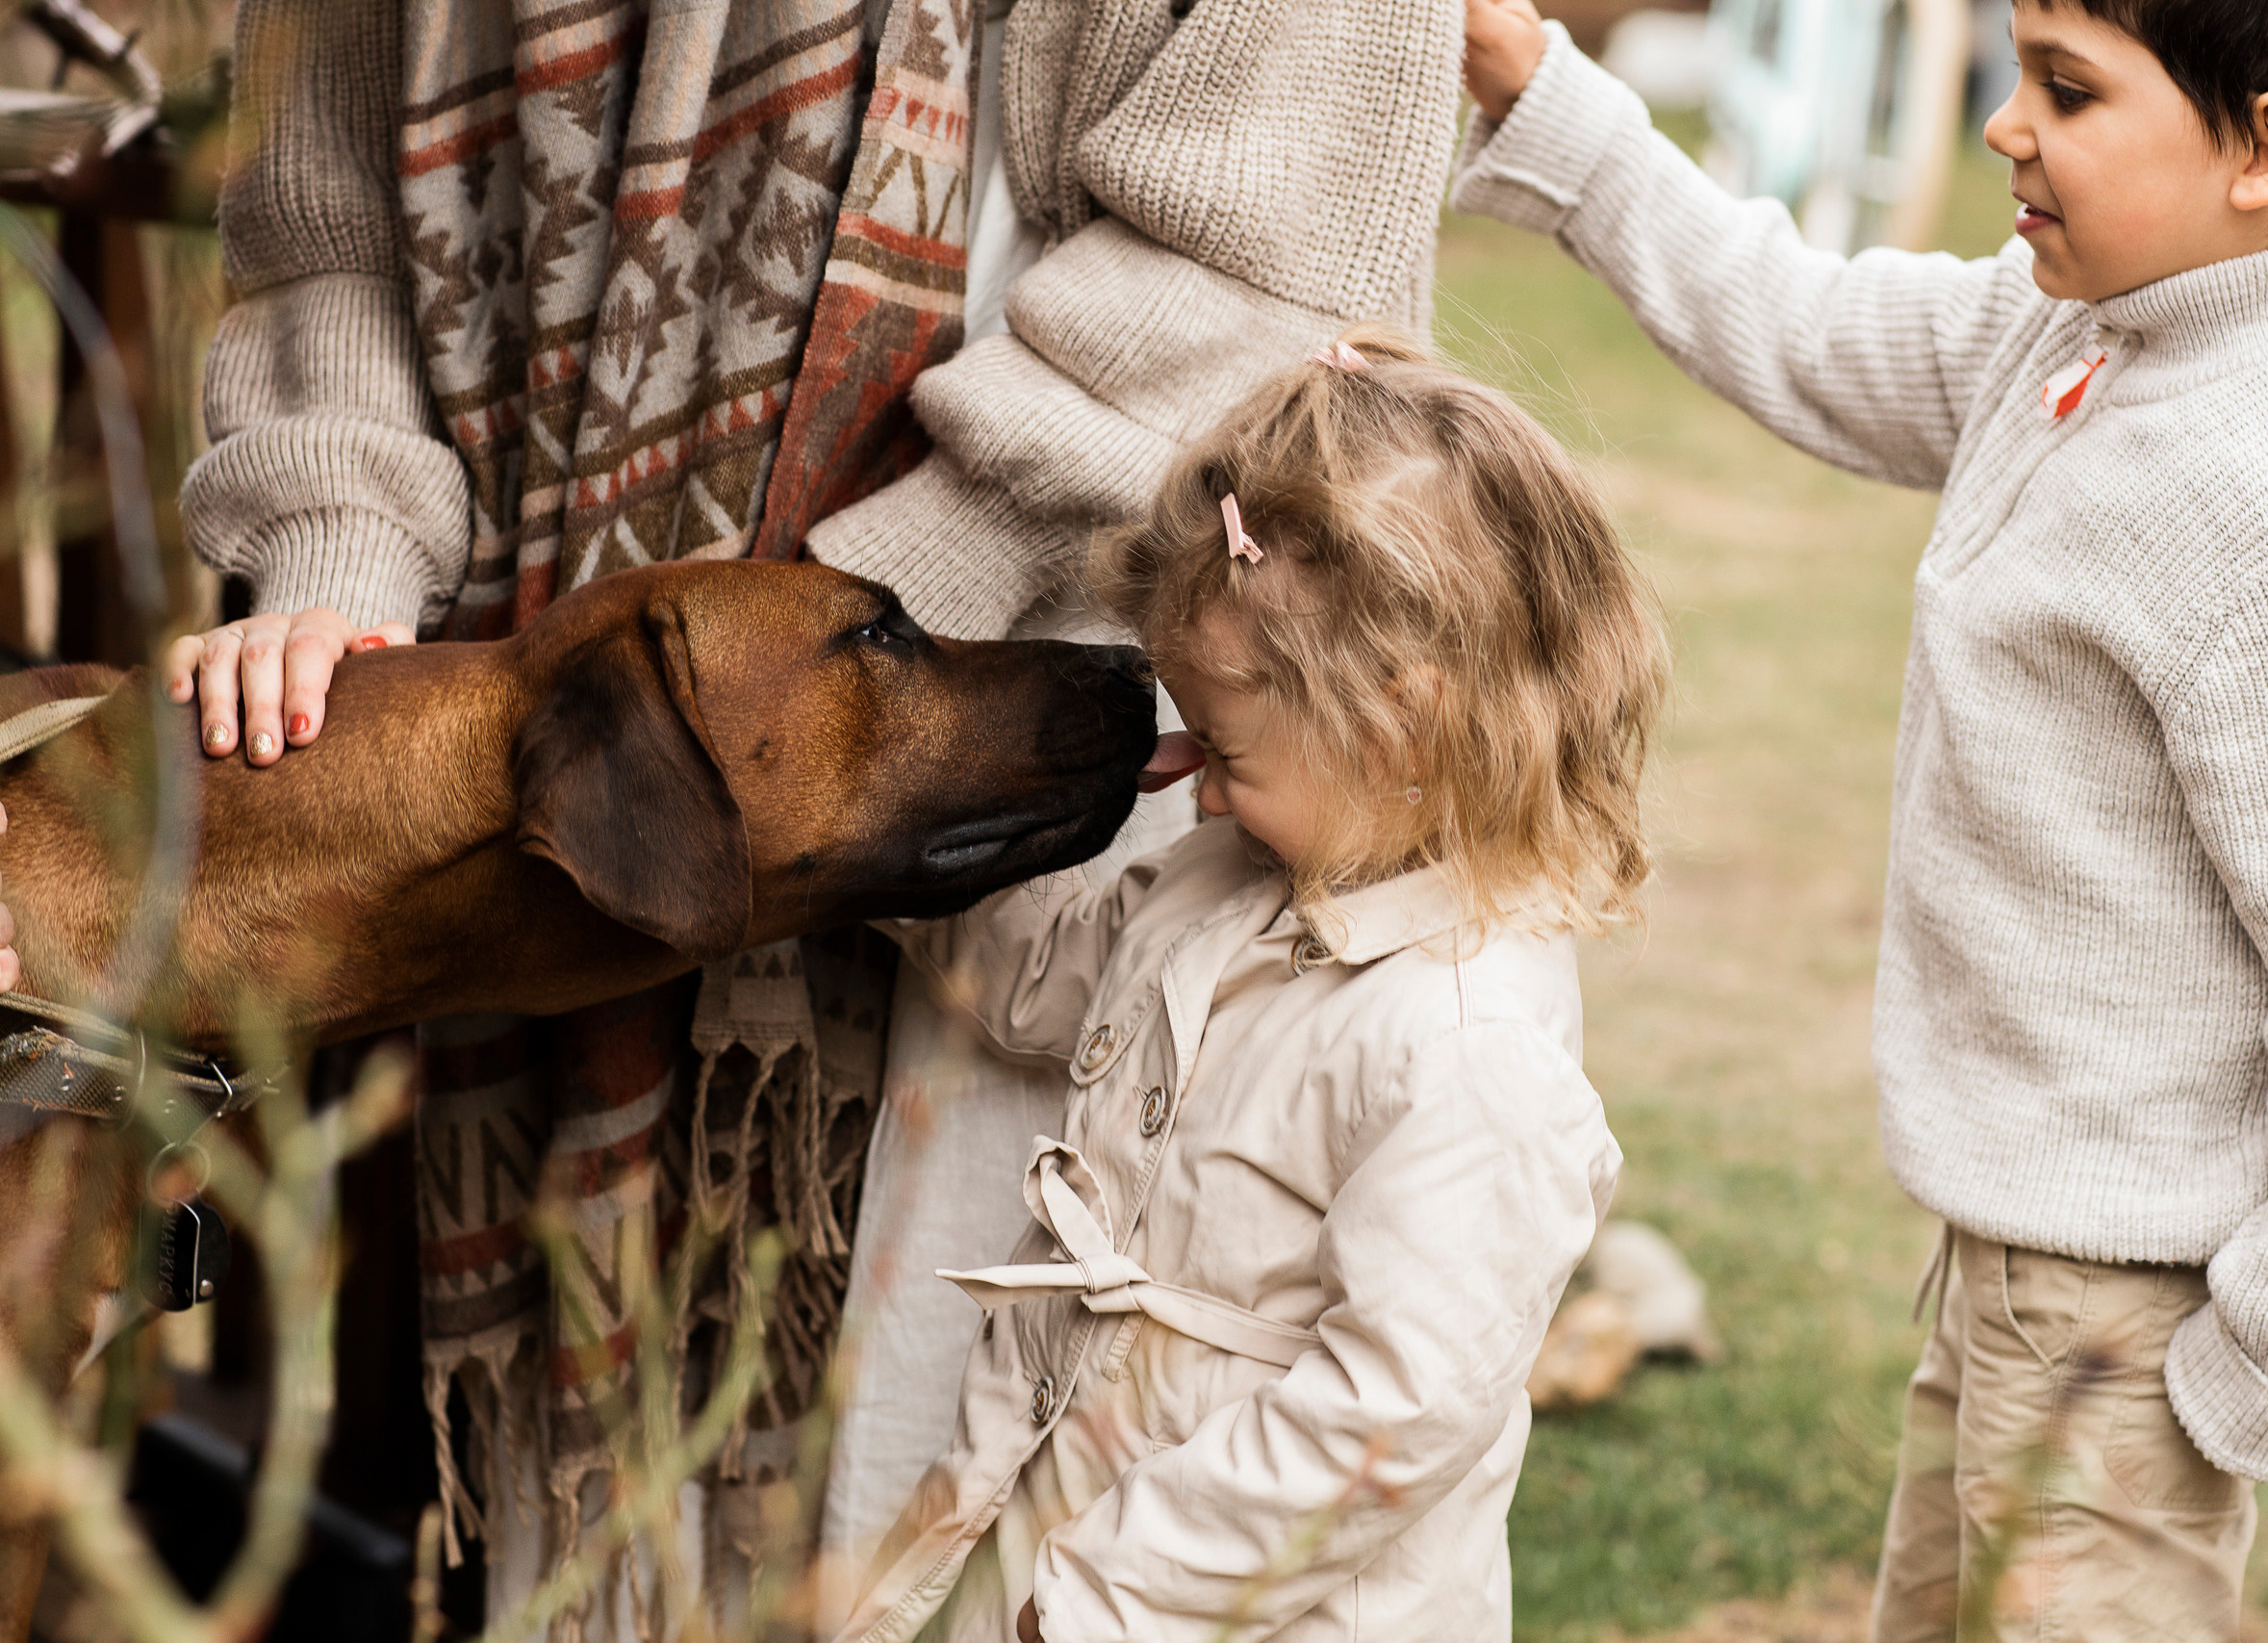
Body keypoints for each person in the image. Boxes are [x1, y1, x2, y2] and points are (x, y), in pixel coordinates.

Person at [0, 0, 1465, 1627]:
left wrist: (839, 662)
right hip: (591, 701)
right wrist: (342, 580)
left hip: (1016, 634)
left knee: (940, 1480)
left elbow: (1259, 252)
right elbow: (325, 210)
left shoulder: (1431, 1041)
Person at [1458, 0, 2268, 1635]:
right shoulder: (2085, 327)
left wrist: (2255, 1368)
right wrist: (1554, 103)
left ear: (2267, 154)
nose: (2004, 125)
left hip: (2130, 1330)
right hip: (2006, 1277)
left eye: (2067, 90)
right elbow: (1803, 324)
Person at [826, 330, 1667, 1643]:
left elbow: (1387, 1418)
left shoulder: (1463, 1043)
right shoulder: (1224, 883)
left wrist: (1114, 1596)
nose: (1196, 785)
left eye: (1223, 747)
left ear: (1401, 720)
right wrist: (876, 846)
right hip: (1067, 1522)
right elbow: (1047, 982)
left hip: (1236, 1599)